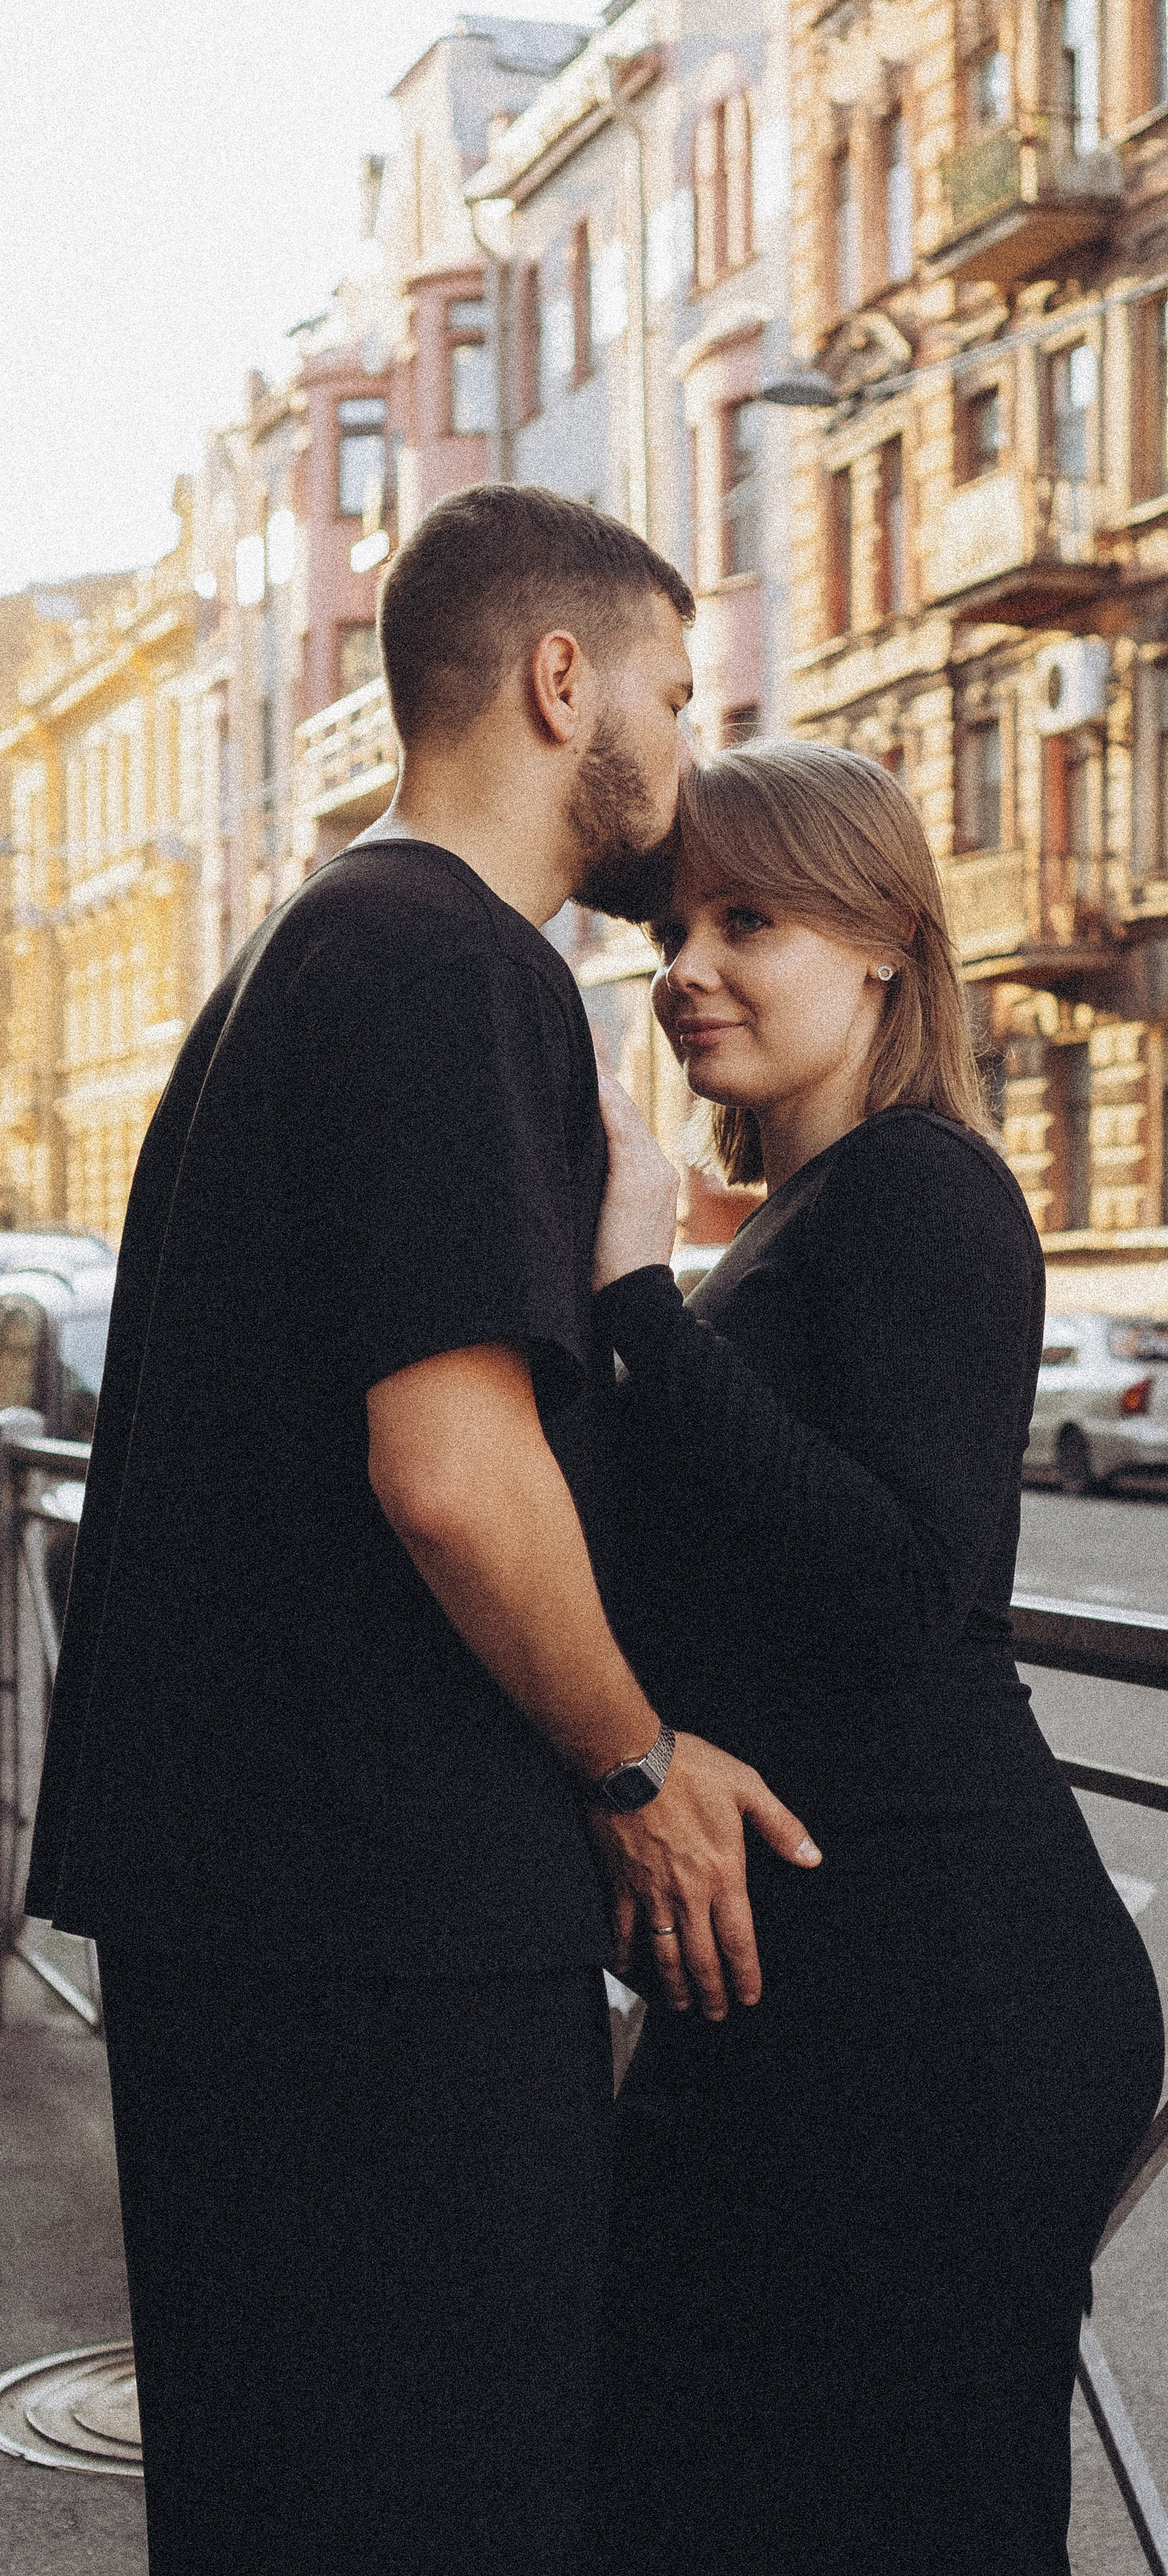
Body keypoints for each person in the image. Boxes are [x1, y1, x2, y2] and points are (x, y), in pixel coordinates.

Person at [23, 487, 818, 2575]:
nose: (689, 742)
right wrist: (634, 1761)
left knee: (290, 2491)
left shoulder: (318, 945)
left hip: (270, 1912)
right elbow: (453, 1470)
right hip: (375, 1929)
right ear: (564, 684)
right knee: (433, 2495)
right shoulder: (446, 966)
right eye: (673, 690)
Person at [582, 741, 1165, 2576]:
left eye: (749, 918)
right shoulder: (801, 1225)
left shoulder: (927, 1191)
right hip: (820, 1999)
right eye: (677, 924)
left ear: (887, 947)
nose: (689, 964)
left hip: (941, 2008)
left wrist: (627, 1306)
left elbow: (915, 1592)